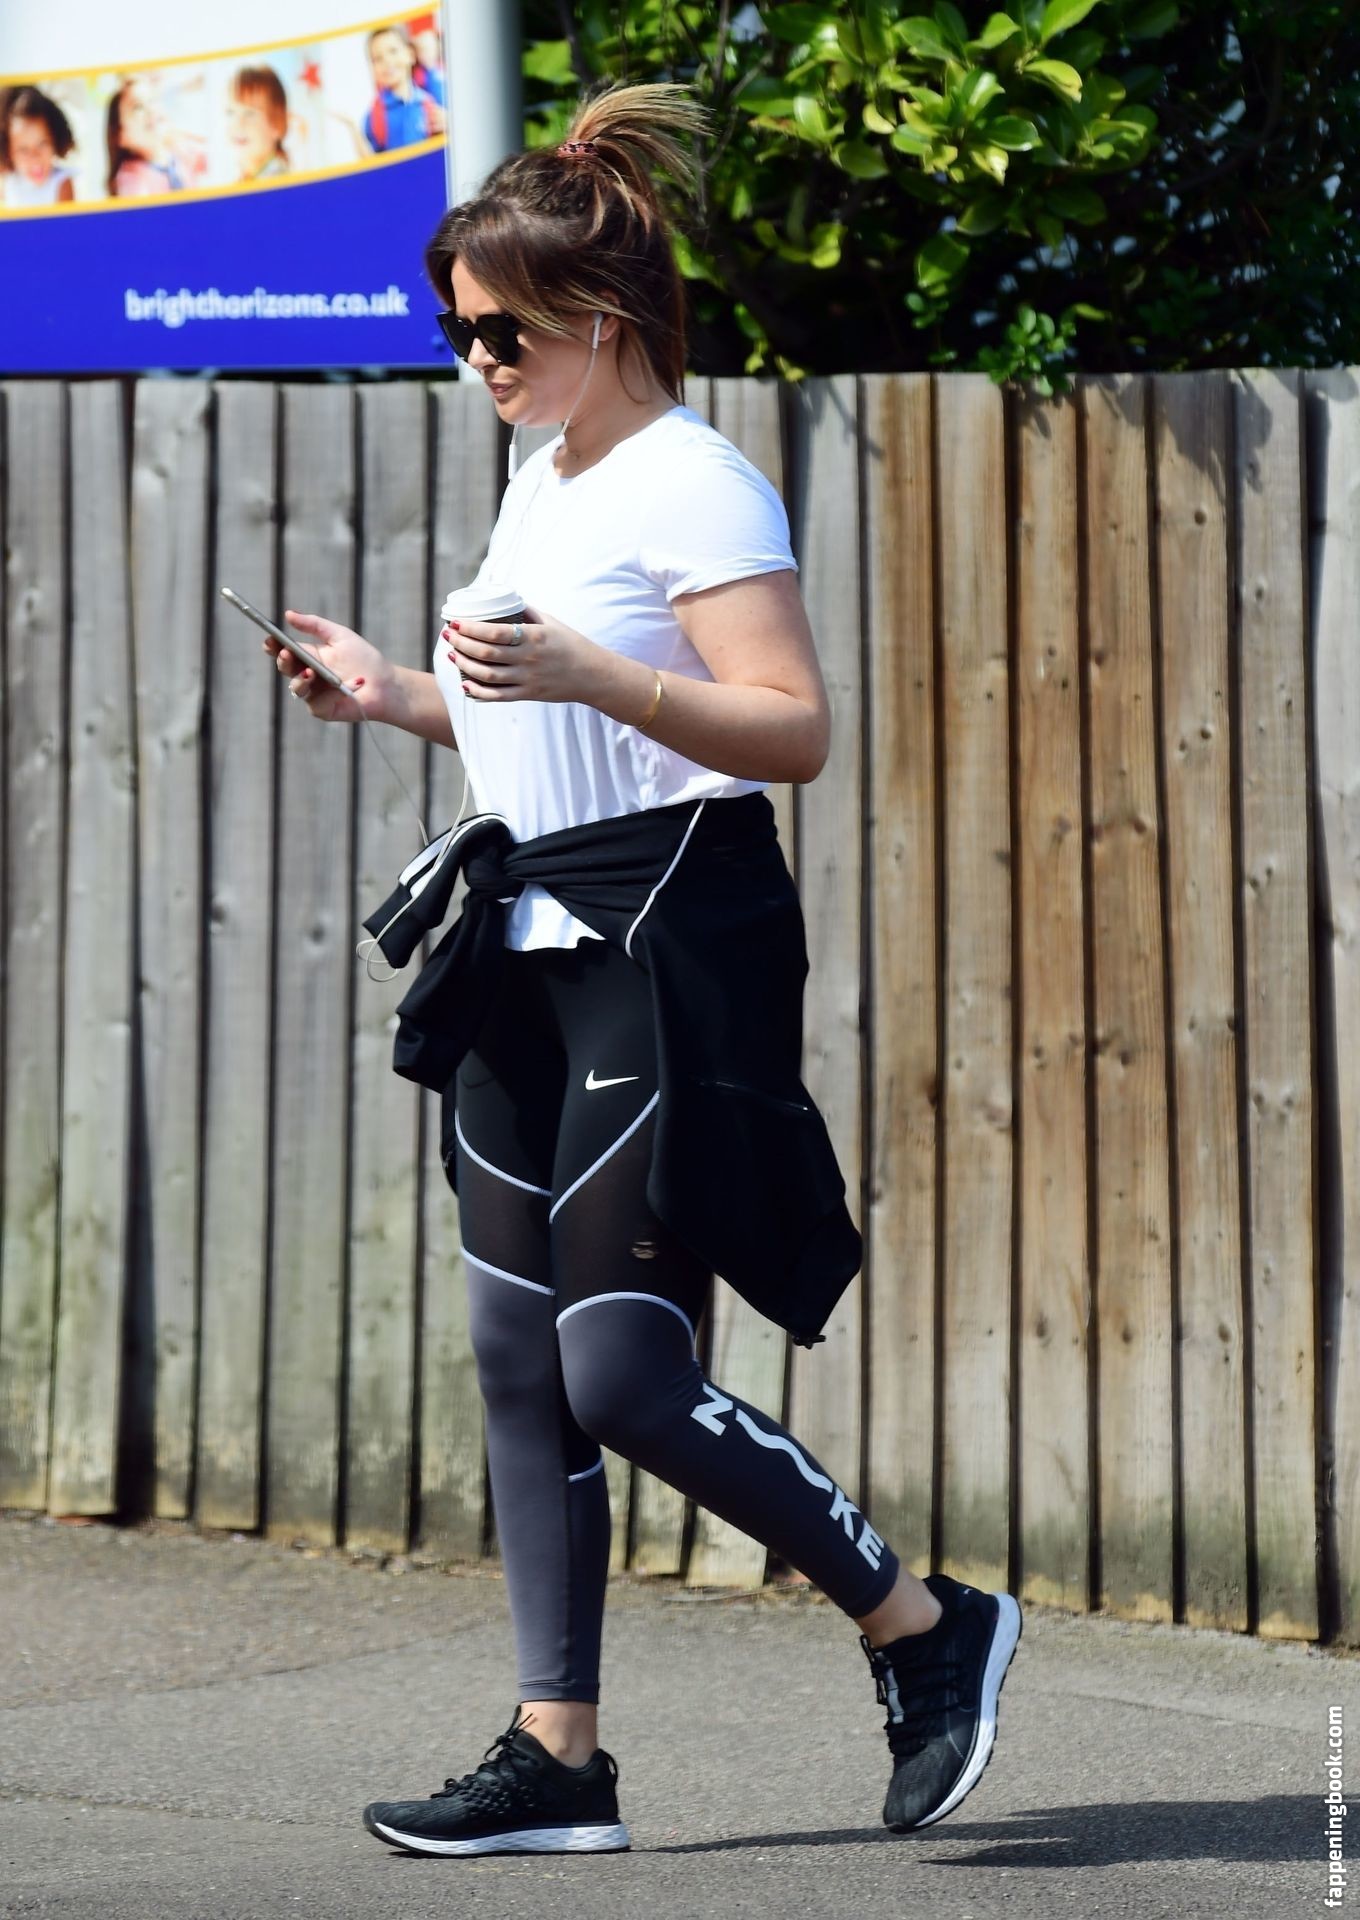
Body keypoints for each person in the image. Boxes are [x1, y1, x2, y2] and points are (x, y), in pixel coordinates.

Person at [263, 79, 1022, 1858]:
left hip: (664, 945)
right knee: (517, 1354)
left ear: (600, 315)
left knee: (619, 1375)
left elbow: (790, 728)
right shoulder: (544, 474)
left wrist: (594, 674)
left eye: (502, 332)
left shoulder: (695, 477)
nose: (478, 361)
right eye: (459, 333)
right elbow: (538, 734)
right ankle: (561, 1757)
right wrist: (394, 695)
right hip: (526, 943)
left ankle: (923, 1625)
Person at [106, 76, 206, 197]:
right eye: (137, 107)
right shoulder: (131, 177)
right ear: (121, 136)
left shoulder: (182, 151)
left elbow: (218, 154)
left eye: (153, 100)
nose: (151, 109)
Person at [361, 23, 444, 153]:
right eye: (378, 58)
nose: (387, 61)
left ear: (410, 54)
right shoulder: (373, 118)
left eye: (393, 51)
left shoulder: (430, 102)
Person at [0, 85, 78, 207]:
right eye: (23, 150)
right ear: (8, 150)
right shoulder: (7, 181)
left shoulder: (61, 184)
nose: (35, 157)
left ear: (55, 140)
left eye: (42, 144)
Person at [226, 66, 290, 183]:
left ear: (277, 125)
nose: (238, 123)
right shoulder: (247, 177)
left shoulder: (278, 181)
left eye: (250, 113)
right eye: (230, 112)